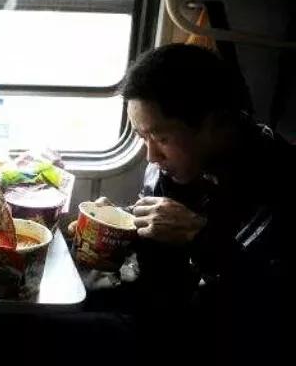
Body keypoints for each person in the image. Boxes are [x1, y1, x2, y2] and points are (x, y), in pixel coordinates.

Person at [68, 44, 291, 364]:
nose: (151, 156)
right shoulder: (176, 165)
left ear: (217, 124)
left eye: (161, 139)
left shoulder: (277, 183)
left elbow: (265, 305)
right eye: (141, 137)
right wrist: (120, 228)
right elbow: (162, 265)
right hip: (156, 308)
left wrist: (201, 236)